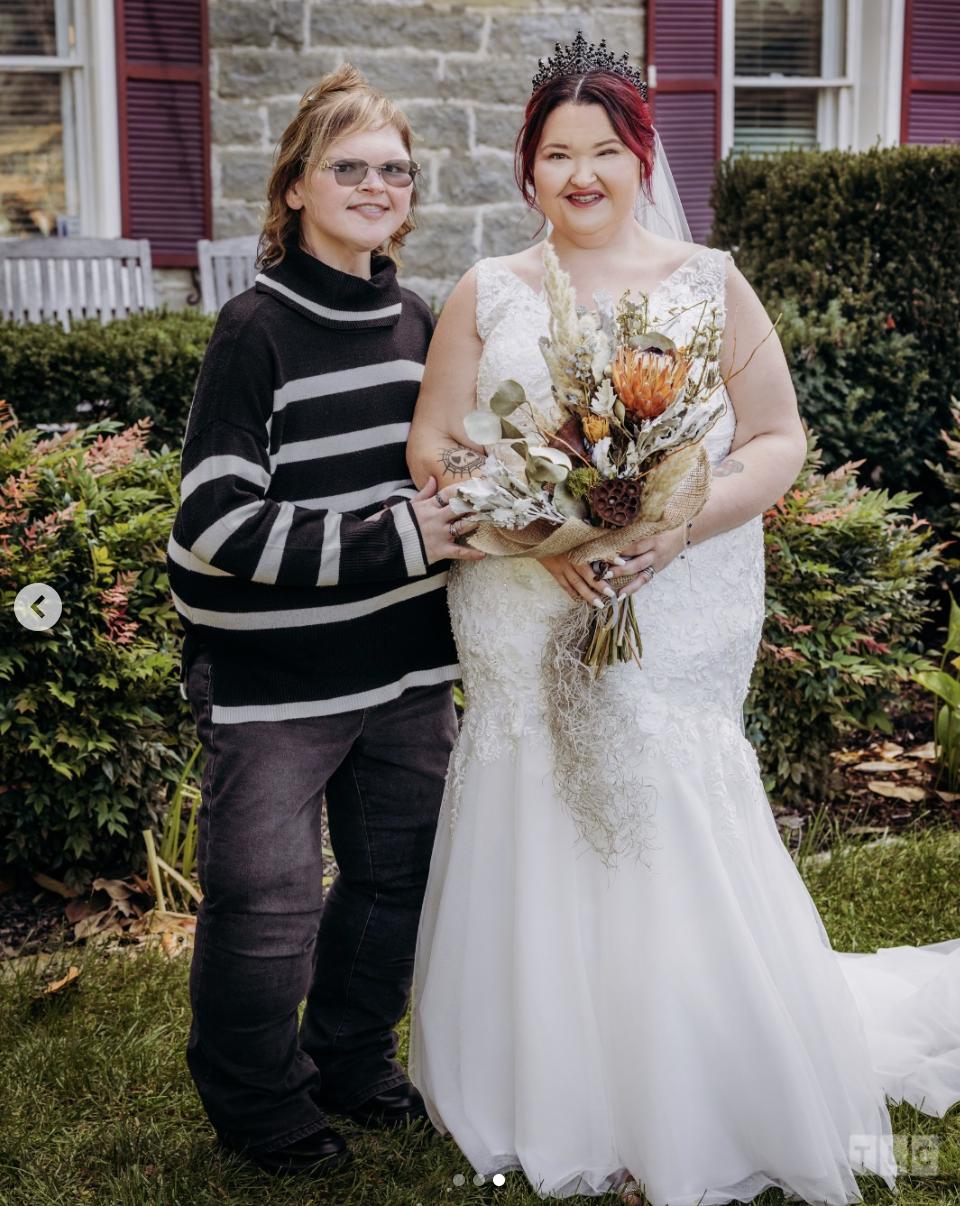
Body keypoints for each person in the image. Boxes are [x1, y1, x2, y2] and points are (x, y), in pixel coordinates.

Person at [405, 33, 960, 1204]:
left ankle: (697, 1077)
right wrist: (544, 532)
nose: (582, 175)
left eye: (605, 150)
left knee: (662, 790)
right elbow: (438, 445)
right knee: (532, 786)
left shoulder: (710, 283)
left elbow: (777, 439)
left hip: (681, 592)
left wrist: (672, 525)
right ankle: (551, 1089)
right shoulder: (485, 290)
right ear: (527, 167)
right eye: (558, 153)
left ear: (642, 157)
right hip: (522, 596)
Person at [167, 65, 482, 1179]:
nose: (376, 186)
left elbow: (449, 474)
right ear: (295, 187)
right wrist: (404, 536)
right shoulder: (254, 328)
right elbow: (214, 522)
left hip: (404, 669)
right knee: (267, 908)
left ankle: (351, 1060)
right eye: (349, 167)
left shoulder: (418, 320)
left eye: (395, 169)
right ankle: (259, 1103)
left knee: (398, 877)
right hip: (276, 679)